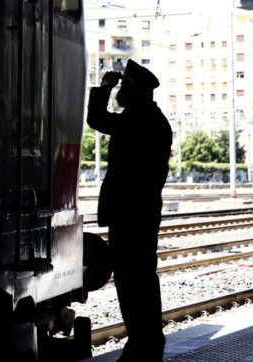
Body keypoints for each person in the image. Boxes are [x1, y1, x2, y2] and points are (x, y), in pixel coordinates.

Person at [86, 59, 172, 361]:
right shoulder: (150, 118)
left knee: (133, 280)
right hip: (140, 212)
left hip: (131, 213)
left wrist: (103, 87)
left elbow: (97, 120)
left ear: (135, 91)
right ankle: (146, 343)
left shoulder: (140, 119)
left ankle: (142, 345)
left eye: (123, 86)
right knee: (141, 279)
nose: (120, 91)